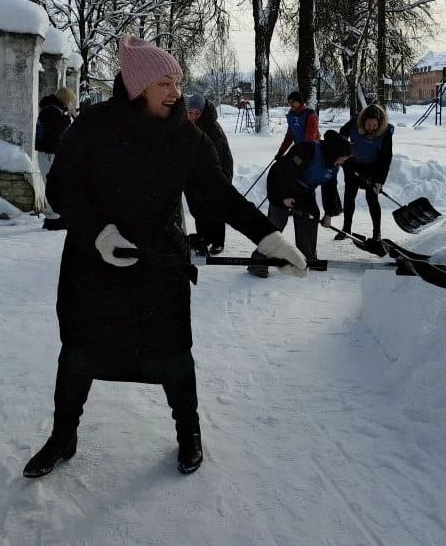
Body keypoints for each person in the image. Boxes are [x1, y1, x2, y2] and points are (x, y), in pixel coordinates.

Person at [22, 36, 307, 479]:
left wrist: (269, 239)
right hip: (93, 267)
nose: (176, 93)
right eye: (165, 83)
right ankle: (63, 436)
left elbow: (218, 195)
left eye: (178, 82)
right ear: (138, 87)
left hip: (159, 266)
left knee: (173, 358)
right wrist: (99, 232)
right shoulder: (94, 125)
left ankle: (188, 432)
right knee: (79, 355)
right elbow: (61, 188)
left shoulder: (185, 137)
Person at [249, 129, 352, 278]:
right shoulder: (307, 150)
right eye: (341, 159)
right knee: (276, 224)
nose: (342, 163)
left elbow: (330, 189)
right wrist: (283, 198)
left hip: (304, 191)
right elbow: (281, 174)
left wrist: (329, 214)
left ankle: (307, 258)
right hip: (282, 186)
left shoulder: (333, 166)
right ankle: (257, 261)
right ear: (334, 152)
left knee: (311, 216)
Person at [335, 104, 394, 242]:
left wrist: (380, 181)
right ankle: (346, 228)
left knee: (372, 199)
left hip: (373, 168)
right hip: (354, 164)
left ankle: (377, 234)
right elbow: (342, 134)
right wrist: (345, 155)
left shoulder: (385, 131)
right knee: (349, 197)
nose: (371, 128)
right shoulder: (355, 122)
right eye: (368, 125)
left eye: (375, 125)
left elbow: (386, 159)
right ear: (363, 122)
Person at [186, 93, 234, 254]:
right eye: (190, 112)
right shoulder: (188, 127)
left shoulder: (212, 129)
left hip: (216, 175)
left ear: (203, 112)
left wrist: (222, 180)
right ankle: (203, 238)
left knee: (215, 209)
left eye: (197, 113)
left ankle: (218, 241)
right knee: (198, 209)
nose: (193, 116)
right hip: (195, 177)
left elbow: (222, 157)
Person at [36, 86, 77, 231]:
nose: (70, 104)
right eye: (70, 101)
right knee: (53, 185)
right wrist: (68, 117)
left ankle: (56, 217)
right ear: (65, 99)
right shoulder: (51, 110)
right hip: (49, 152)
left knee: (56, 184)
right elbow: (57, 130)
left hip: (50, 151)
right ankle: (52, 219)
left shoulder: (51, 109)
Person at [275, 90, 320, 159]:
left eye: (293, 102)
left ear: (299, 102)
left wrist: (303, 153)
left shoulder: (310, 114)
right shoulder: (291, 115)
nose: (291, 104)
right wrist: (281, 152)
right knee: (288, 162)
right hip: (299, 148)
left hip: (312, 150)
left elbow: (311, 137)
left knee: (299, 164)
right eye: (289, 102)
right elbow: (289, 136)